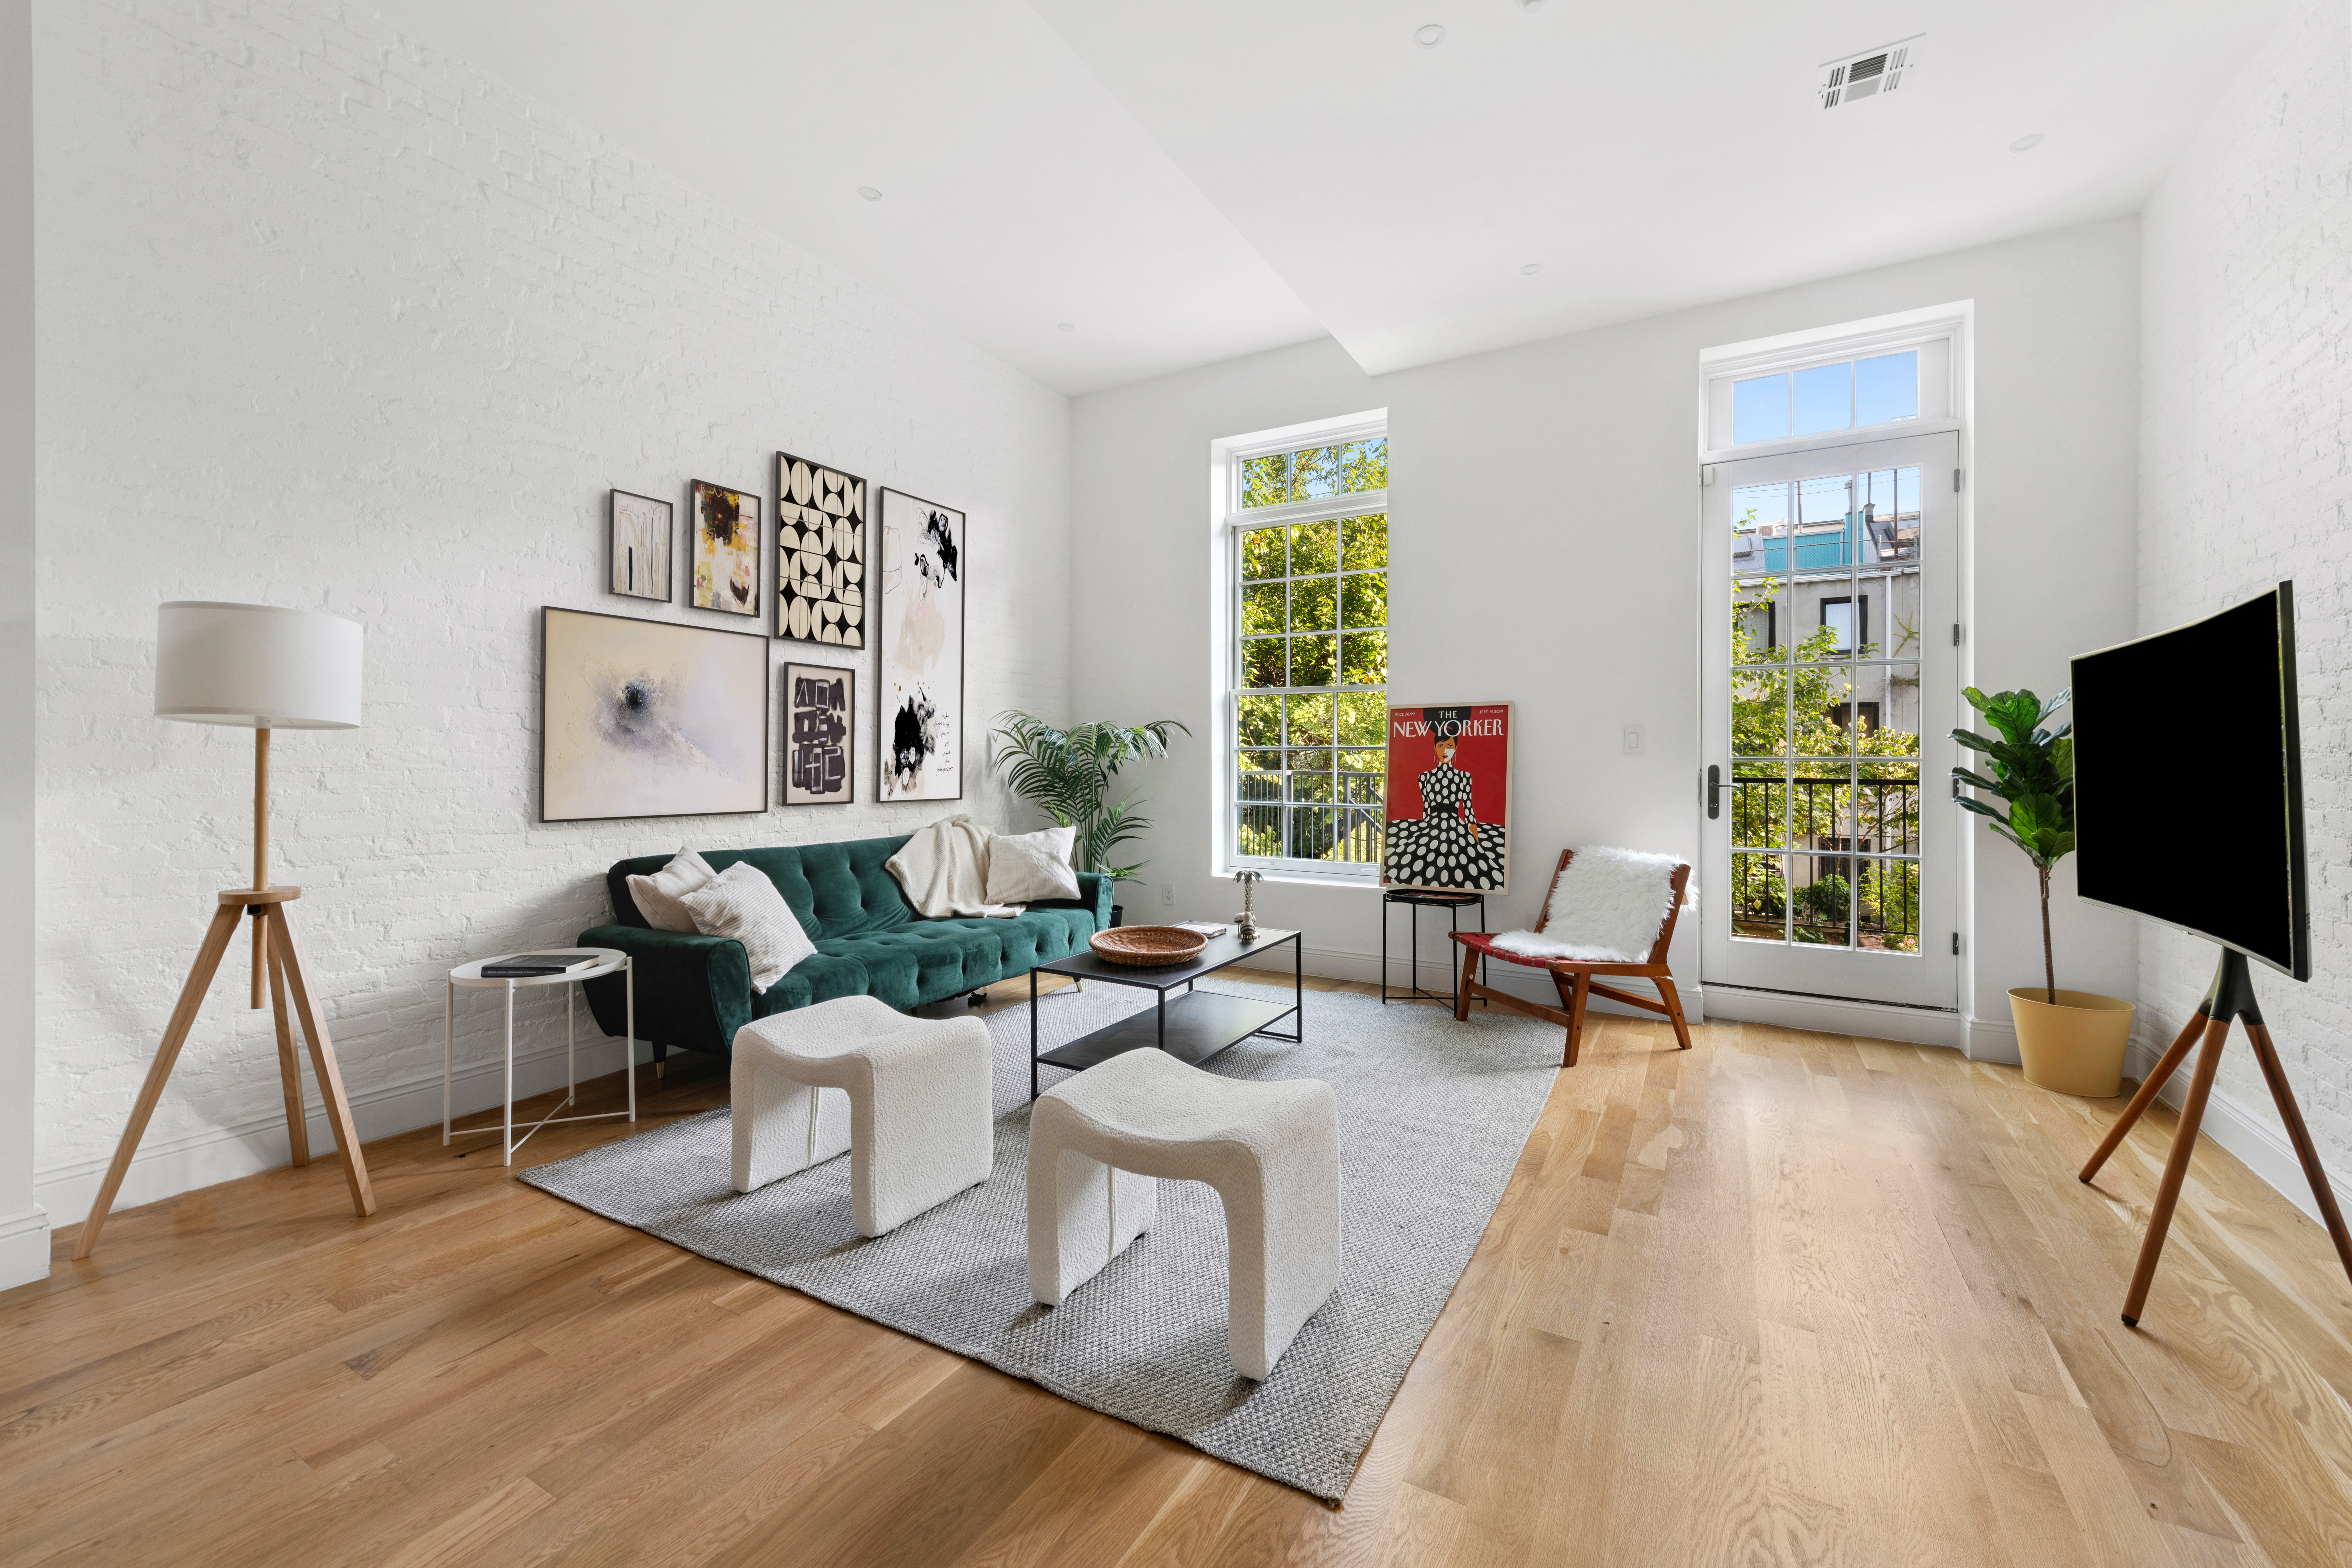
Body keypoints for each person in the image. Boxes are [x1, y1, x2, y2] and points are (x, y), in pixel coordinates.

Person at [1387, 734, 1506, 889]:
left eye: (1450, 746)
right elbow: (1427, 809)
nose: (1445, 751)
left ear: (1456, 748)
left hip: (1455, 826)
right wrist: (1424, 831)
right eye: (1441, 746)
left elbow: (1468, 809)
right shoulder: (1425, 777)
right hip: (1432, 826)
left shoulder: (1464, 777)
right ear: (1435, 749)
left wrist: (1476, 840)